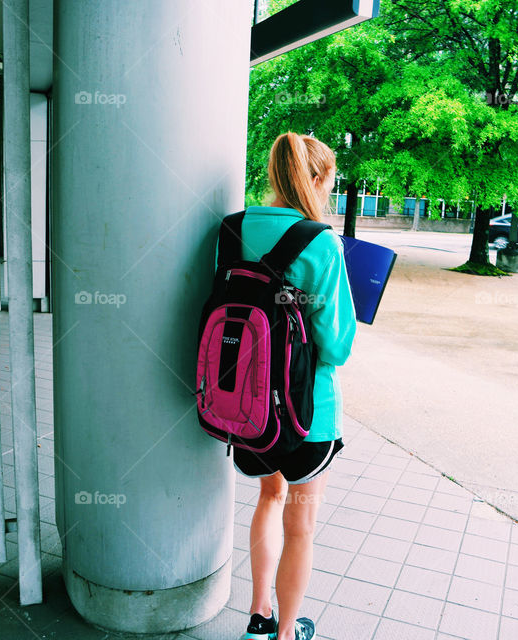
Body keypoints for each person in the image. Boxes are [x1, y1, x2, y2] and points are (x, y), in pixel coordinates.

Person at [229, 132, 357, 640]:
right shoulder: (321, 242)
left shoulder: (231, 229)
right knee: (301, 524)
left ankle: (259, 619)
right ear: (320, 178)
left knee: (267, 499)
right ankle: (288, 634)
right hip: (308, 412)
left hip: (248, 403)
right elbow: (336, 346)